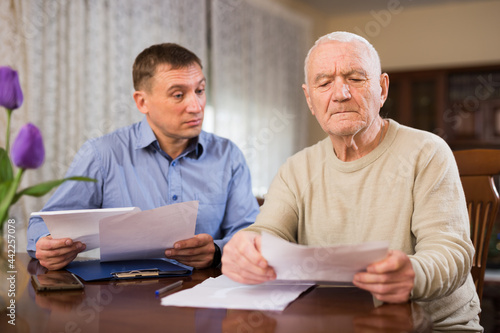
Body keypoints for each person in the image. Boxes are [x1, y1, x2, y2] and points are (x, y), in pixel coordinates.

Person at [221, 31, 482, 331]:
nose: (340, 93)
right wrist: (246, 248)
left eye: (355, 78)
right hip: (332, 322)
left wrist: (412, 273)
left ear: (382, 89)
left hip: (432, 326)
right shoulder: (295, 168)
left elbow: (451, 252)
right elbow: (266, 232)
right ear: (309, 98)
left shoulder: (428, 152)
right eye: (324, 83)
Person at [27, 43, 260, 271]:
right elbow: (42, 225)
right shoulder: (101, 154)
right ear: (142, 102)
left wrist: (217, 251)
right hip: (123, 298)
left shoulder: (228, 155)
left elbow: (250, 230)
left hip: (203, 296)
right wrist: (45, 244)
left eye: (199, 90)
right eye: (179, 95)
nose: (196, 106)